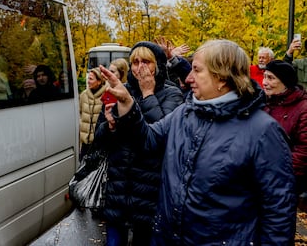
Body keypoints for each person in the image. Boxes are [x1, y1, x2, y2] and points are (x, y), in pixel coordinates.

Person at [98, 39, 297, 245]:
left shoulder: (263, 131)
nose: (189, 78)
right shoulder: (184, 113)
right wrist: (128, 105)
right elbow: (148, 140)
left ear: (222, 77)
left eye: (196, 70)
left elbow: (278, 214)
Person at [94, 41, 184, 246]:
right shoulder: (120, 90)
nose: (139, 68)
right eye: (135, 62)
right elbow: (98, 139)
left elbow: (163, 136)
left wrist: (148, 94)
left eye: (146, 62)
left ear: (158, 65)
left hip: (149, 188)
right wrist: (110, 127)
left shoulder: (173, 94)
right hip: (119, 185)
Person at [263, 60, 307, 196]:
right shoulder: (264, 103)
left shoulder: (302, 108)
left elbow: (303, 151)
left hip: (285, 182)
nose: (264, 82)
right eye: (264, 76)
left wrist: (275, 170)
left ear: (285, 82)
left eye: (271, 78)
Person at [79, 67, 106, 160]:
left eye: (91, 79)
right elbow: (80, 114)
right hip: (85, 144)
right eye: (88, 78)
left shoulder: (107, 95)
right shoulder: (83, 95)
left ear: (99, 81)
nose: (88, 81)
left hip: (99, 144)